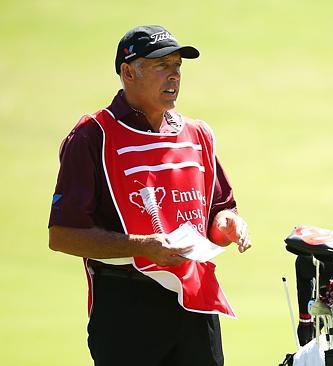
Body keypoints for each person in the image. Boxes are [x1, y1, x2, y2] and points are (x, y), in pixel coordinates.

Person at [48, 25, 252, 366]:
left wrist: (228, 225)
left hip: (196, 304)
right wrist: (143, 247)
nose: (173, 75)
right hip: (127, 308)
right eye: (161, 65)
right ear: (128, 72)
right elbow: (62, 236)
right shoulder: (92, 136)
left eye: (177, 65)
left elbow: (219, 210)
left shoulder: (197, 134)